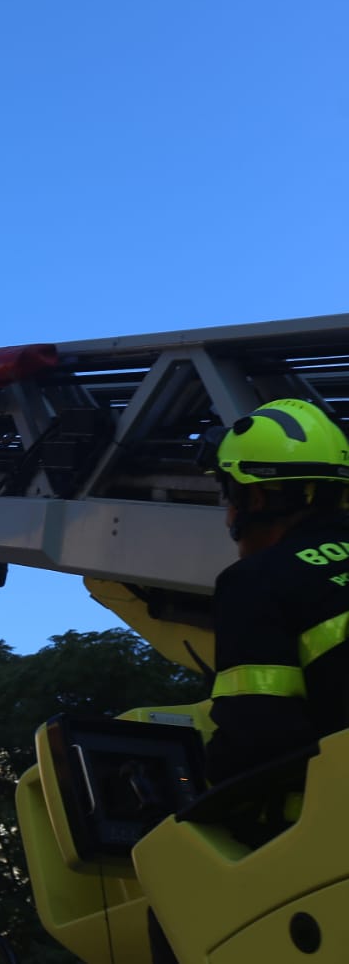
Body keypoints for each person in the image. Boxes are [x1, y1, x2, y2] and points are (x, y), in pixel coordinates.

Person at [147, 399, 349, 963]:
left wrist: (203, 795)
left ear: (255, 497)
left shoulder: (257, 581)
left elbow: (259, 735)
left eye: (228, 495)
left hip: (334, 830)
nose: (229, 514)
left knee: (171, 888)